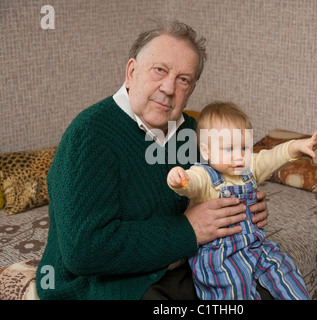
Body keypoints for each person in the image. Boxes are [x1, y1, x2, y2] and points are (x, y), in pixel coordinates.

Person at [35, 21, 269, 300]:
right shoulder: (89, 134)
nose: (169, 88)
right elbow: (84, 250)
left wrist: (243, 204)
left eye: (183, 79)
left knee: (267, 289)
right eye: (160, 70)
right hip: (103, 283)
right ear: (131, 72)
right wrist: (188, 229)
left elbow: (214, 184)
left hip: (183, 262)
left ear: (191, 89)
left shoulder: (192, 132)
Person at [167, 101, 317, 300]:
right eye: (229, 149)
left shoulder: (249, 168)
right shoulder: (205, 175)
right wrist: (178, 179)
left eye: (244, 147)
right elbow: (191, 183)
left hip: (255, 245)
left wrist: (298, 145)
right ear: (207, 151)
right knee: (233, 287)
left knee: (284, 268)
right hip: (220, 255)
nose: (239, 157)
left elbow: (274, 156)